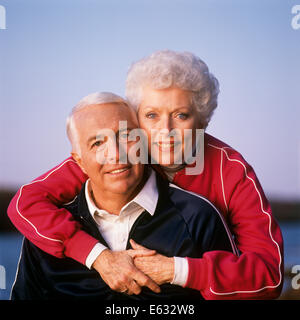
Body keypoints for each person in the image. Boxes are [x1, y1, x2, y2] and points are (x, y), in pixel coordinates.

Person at [8, 50, 283, 299]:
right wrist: (99, 257)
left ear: (202, 120)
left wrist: (176, 269)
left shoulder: (231, 170)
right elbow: (25, 204)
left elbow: (270, 277)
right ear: (136, 119)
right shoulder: (120, 158)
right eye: (152, 115)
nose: (166, 130)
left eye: (181, 115)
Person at [11, 93, 235, 300]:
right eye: (98, 143)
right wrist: (99, 257)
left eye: (127, 137)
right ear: (79, 162)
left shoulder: (199, 217)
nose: (116, 154)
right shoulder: (46, 234)